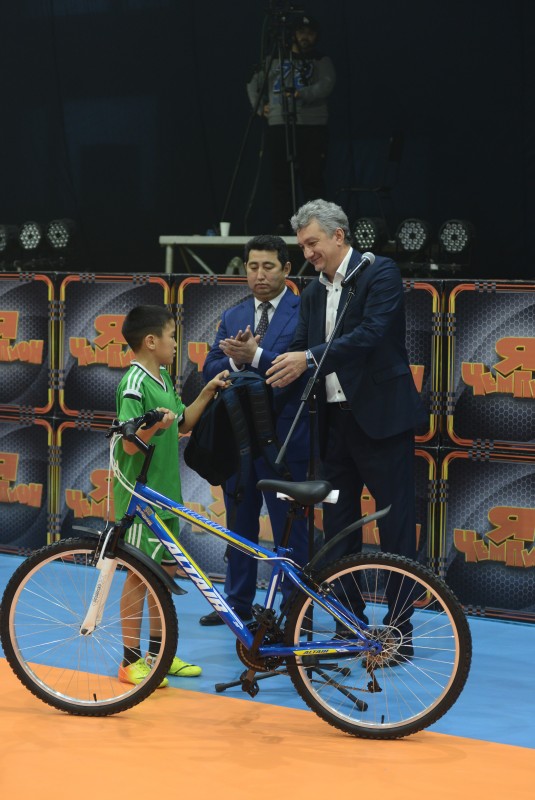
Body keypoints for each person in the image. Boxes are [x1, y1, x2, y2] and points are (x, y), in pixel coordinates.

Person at [266, 200, 427, 663]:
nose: (307, 254)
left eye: (312, 243)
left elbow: (371, 335)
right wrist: (264, 364)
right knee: (337, 529)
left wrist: (308, 358)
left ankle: (398, 629)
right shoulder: (312, 292)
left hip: (382, 422)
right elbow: (299, 349)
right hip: (333, 425)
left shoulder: (380, 273)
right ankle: (348, 624)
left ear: (339, 236)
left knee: (396, 527)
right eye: (302, 246)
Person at [114, 305, 228, 686]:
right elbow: (129, 443)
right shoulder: (133, 383)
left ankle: (158, 655)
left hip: (165, 496)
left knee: (164, 575)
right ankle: (130, 661)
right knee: (139, 577)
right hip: (140, 499)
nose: (176, 344)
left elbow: (182, 423)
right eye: (171, 336)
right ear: (151, 341)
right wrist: (153, 427)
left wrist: (208, 391)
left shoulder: (162, 377)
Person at [199, 234, 310, 626]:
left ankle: (295, 613)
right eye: (252, 266)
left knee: (290, 533)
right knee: (239, 527)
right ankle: (236, 604)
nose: (259, 275)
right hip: (238, 439)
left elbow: (303, 372)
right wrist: (235, 363)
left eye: (268, 266)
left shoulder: (304, 310)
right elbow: (209, 369)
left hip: (285, 440)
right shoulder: (234, 315)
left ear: (286, 269)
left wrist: (256, 356)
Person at [246, 14, 335, 234]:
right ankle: (282, 225)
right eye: (302, 32)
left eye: (310, 33)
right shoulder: (275, 58)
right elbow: (253, 83)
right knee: (280, 178)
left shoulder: (320, 60)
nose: (306, 37)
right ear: (293, 34)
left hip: (312, 125)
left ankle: (318, 226)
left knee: (312, 177)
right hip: (279, 124)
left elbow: (327, 84)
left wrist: (302, 93)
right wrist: (260, 107)